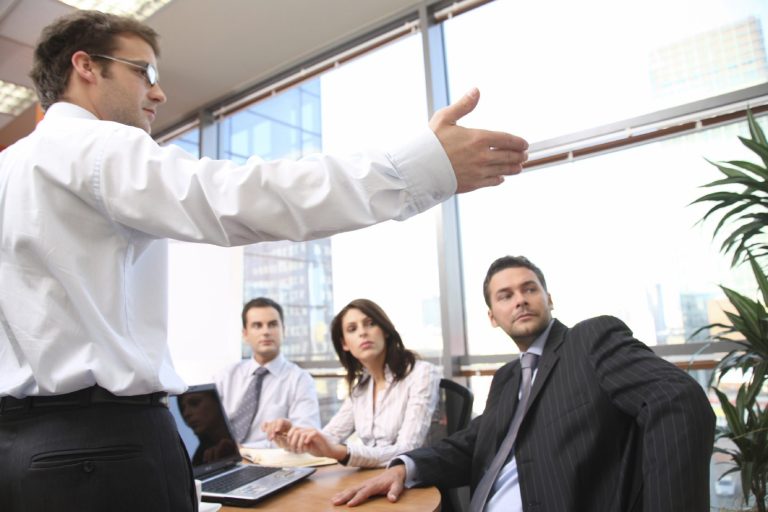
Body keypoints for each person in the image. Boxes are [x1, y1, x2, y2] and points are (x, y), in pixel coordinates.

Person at [0, 9, 528, 511]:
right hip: (103, 452)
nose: (158, 91)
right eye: (144, 73)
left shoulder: (8, 168)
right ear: (85, 66)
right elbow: (245, 196)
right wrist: (416, 168)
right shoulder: (95, 148)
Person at [332, 256, 715, 511]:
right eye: (506, 295)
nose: (520, 300)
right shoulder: (507, 377)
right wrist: (405, 467)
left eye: (529, 289)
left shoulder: (589, 341)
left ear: (549, 298)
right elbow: (472, 444)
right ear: (493, 317)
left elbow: (677, 399)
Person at [263, 298, 440, 468]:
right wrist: (292, 436)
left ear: (385, 330)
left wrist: (343, 453)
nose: (363, 332)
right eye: (352, 328)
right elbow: (329, 438)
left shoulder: (421, 373)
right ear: (345, 344)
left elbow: (407, 450)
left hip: (416, 485)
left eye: (370, 323)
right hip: (371, 477)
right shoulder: (361, 388)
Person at [214, 298, 320, 447]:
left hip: (271, 463)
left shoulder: (301, 380)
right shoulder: (225, 376)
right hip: (223, 461)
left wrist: (242, 450)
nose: (266, 332)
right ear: (245, 334)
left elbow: (306, 437)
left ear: (283, 330)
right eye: (257, 326)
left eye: (273, 324)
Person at [177, 391, 238, 465]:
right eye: (182, 409)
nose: (186, 413)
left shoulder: (240, 433)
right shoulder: (199, 459)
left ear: (217, 402)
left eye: (194, 403)